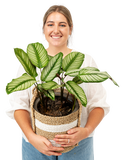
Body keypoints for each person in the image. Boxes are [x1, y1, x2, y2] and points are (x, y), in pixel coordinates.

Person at [3, 1, 113, 160]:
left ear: (70, 29)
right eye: (50, 24)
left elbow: (99, 104)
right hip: (35, 144)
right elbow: (18, 105)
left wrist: (86, 131)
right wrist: (32, 138)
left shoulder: (86, 59)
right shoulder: (29, 60)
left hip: (79, 143)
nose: (56, 30)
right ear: (43, 28)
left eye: (62, 25)